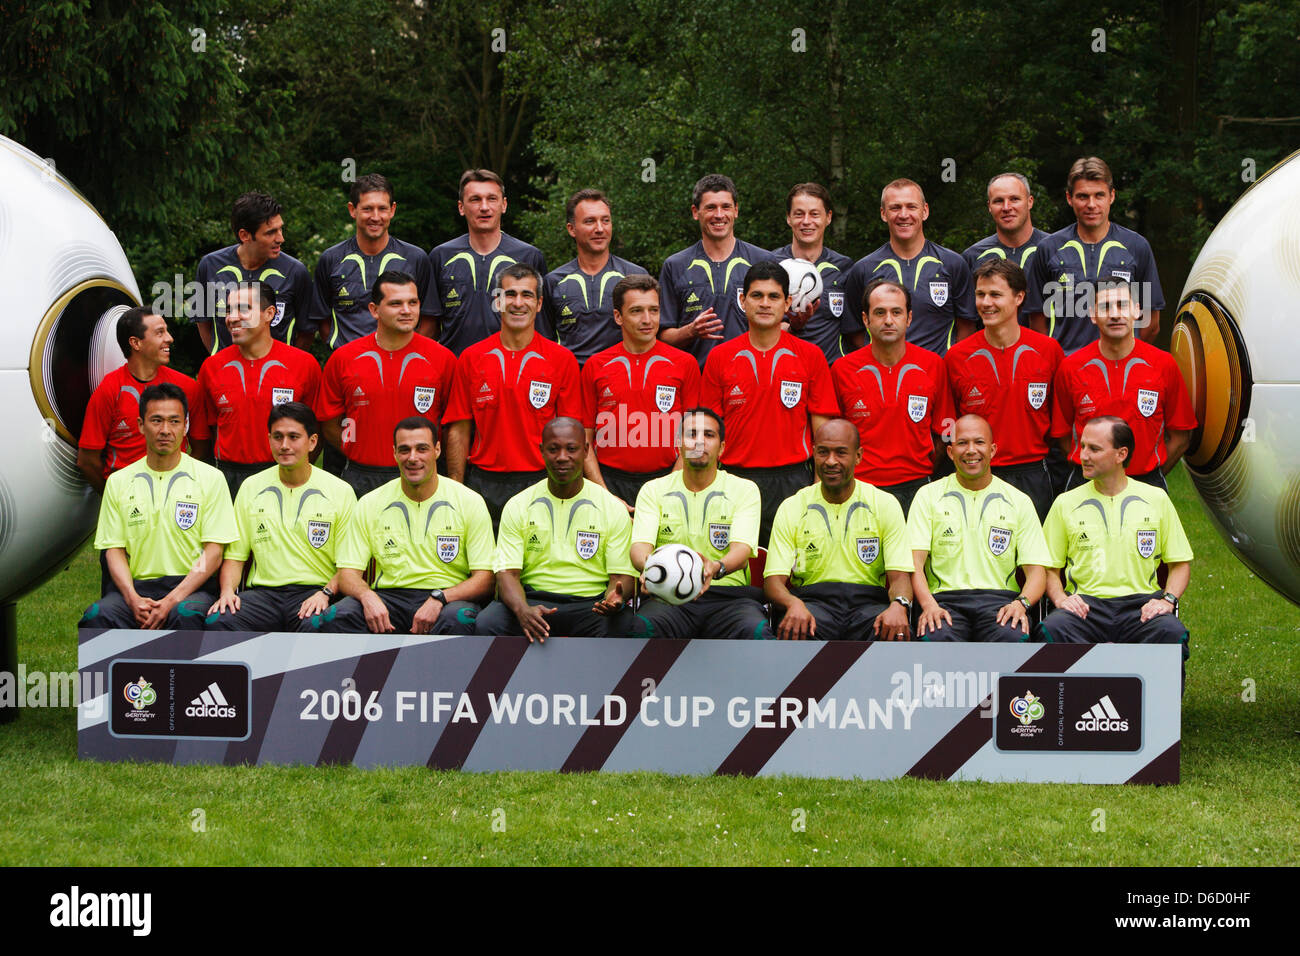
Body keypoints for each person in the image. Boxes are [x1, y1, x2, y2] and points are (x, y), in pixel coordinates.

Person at [314, 416, 495, 635]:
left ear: (437, 450)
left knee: (459, 617)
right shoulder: (371, 502)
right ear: (394, 453)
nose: (412, 458)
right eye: (404, 450)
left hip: (447, 597)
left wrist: (441, 597)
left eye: (422, 449)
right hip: (389, 598)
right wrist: (367, 596)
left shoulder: (469, 501)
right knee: (338, 616)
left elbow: (485, 579)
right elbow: (347, 574)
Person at [78, 383, 237, 629]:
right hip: (135, 589)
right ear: (141, 425)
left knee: (185, 613)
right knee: (97, 615)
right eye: (156, 421)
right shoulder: (119, 481)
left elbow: (214, 552)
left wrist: (172, 599)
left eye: (174, 421)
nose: (165, 430)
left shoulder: (210, 478)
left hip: (191, 588)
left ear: (185, 426)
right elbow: (114, 550)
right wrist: (132, 598)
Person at [701, 259, 837, 546]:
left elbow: (823, 432)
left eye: (774, 296)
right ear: (742, 300)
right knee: (741, 573)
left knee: (792, 570)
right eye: (757, 295)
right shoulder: (719, 357)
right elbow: (709, 432)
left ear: (787, 302)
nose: (765, 303)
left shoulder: (811, 357)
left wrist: (817, 486)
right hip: (735, 481)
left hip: (793, 482)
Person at [1040, 416, 1192, 659]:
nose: (1083, 455)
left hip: (1141, 606)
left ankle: (1155, 698)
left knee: (1170, 631)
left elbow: (1180, 564)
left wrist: (1168, 600)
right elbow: (1047, 567)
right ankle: (1074, 697)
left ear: (1121, 454)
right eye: (1083, 446)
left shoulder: (1156, 499)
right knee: (1054, 628)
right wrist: (1060, 598)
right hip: (1086, 607)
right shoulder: (1065, 502)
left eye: (1094, 449)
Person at [442, 263, 581, 523]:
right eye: (510, 294)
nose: (518, 303)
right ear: (497, 301)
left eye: (527, 295)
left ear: (539, 303)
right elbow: (459, 428)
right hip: (483, 483)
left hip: (542, 481)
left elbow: (572, 433)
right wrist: (456, 490)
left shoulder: (562, 360)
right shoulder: (471, 358)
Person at [476, 418, 635, 641]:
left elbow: (621, 577)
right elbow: (507, 574)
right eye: (553, 449)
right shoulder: (518, 504)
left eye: (571, 449)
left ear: (586, 450)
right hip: (533, 600)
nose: (562, 457)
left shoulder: (611, 507)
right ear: (542, 451)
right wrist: (523, 611)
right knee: (488, 622)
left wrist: (613, 601)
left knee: (626, 625)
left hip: (590, 605)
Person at [205, 403, 356, 631]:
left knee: (319, 623)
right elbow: (235, 558)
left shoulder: (341, 491)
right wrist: (227, 593)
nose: (284, 445)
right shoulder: (251, 487)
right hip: (264, 595)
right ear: (269, 439)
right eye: (278, 437)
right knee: (220, 620)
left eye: (293, 437)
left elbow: (349, 564)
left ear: (312, 441)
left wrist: (325, 593)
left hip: (316, 591)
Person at [629, 408, 773, 640]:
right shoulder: (653, 490)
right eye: (691, 434)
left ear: (722, 448)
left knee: (755, 630)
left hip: (729, 597)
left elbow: (742, 551)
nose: (699, 442)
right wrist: (649, 569)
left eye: (708, 435)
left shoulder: (744, 490)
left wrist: (716, 567)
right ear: (679, 444)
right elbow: (639, 548)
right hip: (668, 598)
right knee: (640, 627)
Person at [764, 419, 914, 641]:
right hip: (812, 603)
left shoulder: (884, 503)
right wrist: (793, 603)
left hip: (868, 605)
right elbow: (773, 582)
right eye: (823, 452)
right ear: (813, 453)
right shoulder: (792, 507)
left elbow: (900, 577)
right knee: (796, 626)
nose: (830, 461)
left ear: (858, 456)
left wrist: (899, 605)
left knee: (892, 628)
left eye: (841, 453)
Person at [907, 415, 1050, 642]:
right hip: (944, 601)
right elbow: (914, 565)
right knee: (935, 635)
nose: (971, 450)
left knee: (1013, 636)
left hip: (1001, 602)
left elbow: (1037, 573)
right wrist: (928, 605)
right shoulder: (928, 496)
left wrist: (1020, 604)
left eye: (979, 442)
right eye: (962, 443)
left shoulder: (1018, 500)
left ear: (992, 450)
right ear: (950, 452)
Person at [316, 270, 457, 497]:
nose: (406, 310)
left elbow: (454, 425)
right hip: (361, 476)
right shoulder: (343, 359)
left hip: (422, 475)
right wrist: (357, 449)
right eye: (395, 303)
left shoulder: (443, 359)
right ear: (374, 310)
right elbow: (329, 422)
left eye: (413, 302)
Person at [944, 259, 1064, 519]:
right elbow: (947, 423)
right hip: (978, 475)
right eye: (980, 295)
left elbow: (1061, 420)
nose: (986, 303)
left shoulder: (1048, 351)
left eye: (995, 294)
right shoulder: (957, 356)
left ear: (1019, 297)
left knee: (1034, 558)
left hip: (1034, 476)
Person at [1051, 276, 1196, 491]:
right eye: (1105, 306)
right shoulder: (1071, 367)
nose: (1115, 314)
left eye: (1122, 305)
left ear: (1137, 310)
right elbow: (1062, 435)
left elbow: (1181, 435)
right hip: (1087, 484)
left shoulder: (1164, 364)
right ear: (1092, 314)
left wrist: (1150, 475)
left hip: (1146, 483)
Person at [832, 278, 953, 516]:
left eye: (896, 312)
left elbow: (944, 433)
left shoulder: (933, 365)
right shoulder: (842, 369)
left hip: (918, 488)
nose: (888, 320)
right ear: (866, 319)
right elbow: (833, 437)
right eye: (880, 312)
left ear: (908, 318)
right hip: (860, 488)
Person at [191, 281, 323, 496]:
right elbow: (209, 431)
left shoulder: (304, 365)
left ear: (269, 313)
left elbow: (317, 429)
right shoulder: (212, 367)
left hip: (285, 475)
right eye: (228, 311)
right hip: (228, 478)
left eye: (243, 309)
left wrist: (296, 468)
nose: (232, 318)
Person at [581, 275, 700, 510]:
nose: (647, 320)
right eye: (636, 311)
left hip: (669, 482)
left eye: (654, 310)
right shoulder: (595, 365)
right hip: (609, 483)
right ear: (618, 316)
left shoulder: (685, 364)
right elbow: (583, 440)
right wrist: (604, 495)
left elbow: (695, 439)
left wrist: (669, 490)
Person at [1027, 157, 1165, 351]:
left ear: (1112, 196)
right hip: (1066, 368)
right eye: (1083, 196)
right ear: (1069, 198)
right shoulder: (1048, 248)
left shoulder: (1136, 246)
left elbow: (1151, 321)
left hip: (1121, 370)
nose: (1091, 204)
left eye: (1099, 195)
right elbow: (1037, 320)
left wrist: (1127, 357)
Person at [841, 178, 976, 356]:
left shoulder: (953, 264)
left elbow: (966, 325)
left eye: (911, 207)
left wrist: (947, 365)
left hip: (937, 377)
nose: (903, 215)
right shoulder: (863, 269)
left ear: (925, 211)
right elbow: (854, 330)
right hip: (884, 377)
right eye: (895, 207)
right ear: (883, 213)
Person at [657, 173, 777, 366]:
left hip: (752, 379)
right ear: (696, 212)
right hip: (697, 381)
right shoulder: (675, 265)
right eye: (711, 207)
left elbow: (782, 325)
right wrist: (690, 331)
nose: (719, 215)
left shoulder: (763, 261)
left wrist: (796, 322)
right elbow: (662, 337)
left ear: (736, 210)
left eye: (726, 207)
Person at [78, 306, 199, 494]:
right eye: (160, 333)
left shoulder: (187, 386)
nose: (169, 338)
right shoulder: (109, 389)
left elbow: (202, 447)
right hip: (127, 497)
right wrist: (115, 497)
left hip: (177, 493)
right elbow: (87, 460)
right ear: (136, 343)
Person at [311, 173, 437, 349]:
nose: (376, 217)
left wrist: (406, 354)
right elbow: (321, 318)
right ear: (352, 210)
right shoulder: (331, 259)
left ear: (392, 210)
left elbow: (429, 319)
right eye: (367, 209)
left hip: (401, 365)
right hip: (349, 367)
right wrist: (342, 353)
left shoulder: (415, 258)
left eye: (382, 209)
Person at [428, 168, 547, 354]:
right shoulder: (440, 256)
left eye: (492, 199)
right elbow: (430, 325)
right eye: (475, 199)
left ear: (504, 205)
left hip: (511, 369)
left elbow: (542, 326)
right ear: (461, 207)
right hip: (456, 369)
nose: (484, 207)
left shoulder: (529, 257)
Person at [193, 192, 316, 353]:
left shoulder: (296, 271)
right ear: (245, 235)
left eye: (280, 229)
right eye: (270, 232)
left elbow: (306, 331)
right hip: (228, 373)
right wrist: (221, 362)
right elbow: (203, 323)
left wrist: (287, 366)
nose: (280, 238)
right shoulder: (209, 265)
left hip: (277, 373)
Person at [542, 189, 649, 365]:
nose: (599, 229)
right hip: (572, 382)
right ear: (571, 229)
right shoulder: (553, 281)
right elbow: (544, 342)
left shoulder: (636, 276)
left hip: (622, 379)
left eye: (605, 221)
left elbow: (649, 335)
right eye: (590, 221)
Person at [771, 182, 855, 364]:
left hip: (829, 373)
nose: (806, 221)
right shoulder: (770, 265)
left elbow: (854, 332)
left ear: (828, 217)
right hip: (781, 371)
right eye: (799, 214)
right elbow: (757, 326)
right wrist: (792, 326)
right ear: (788, 218)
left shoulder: (845, 267)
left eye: (814, 214)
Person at [961, 172, 1048, 323]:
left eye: (1014, 199)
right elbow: (967, 322)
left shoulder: (1054, 250)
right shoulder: (972, 257)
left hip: (1045, 345)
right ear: (989, 206)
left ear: (1030, 201)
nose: (1007, 207)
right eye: (998, 201)